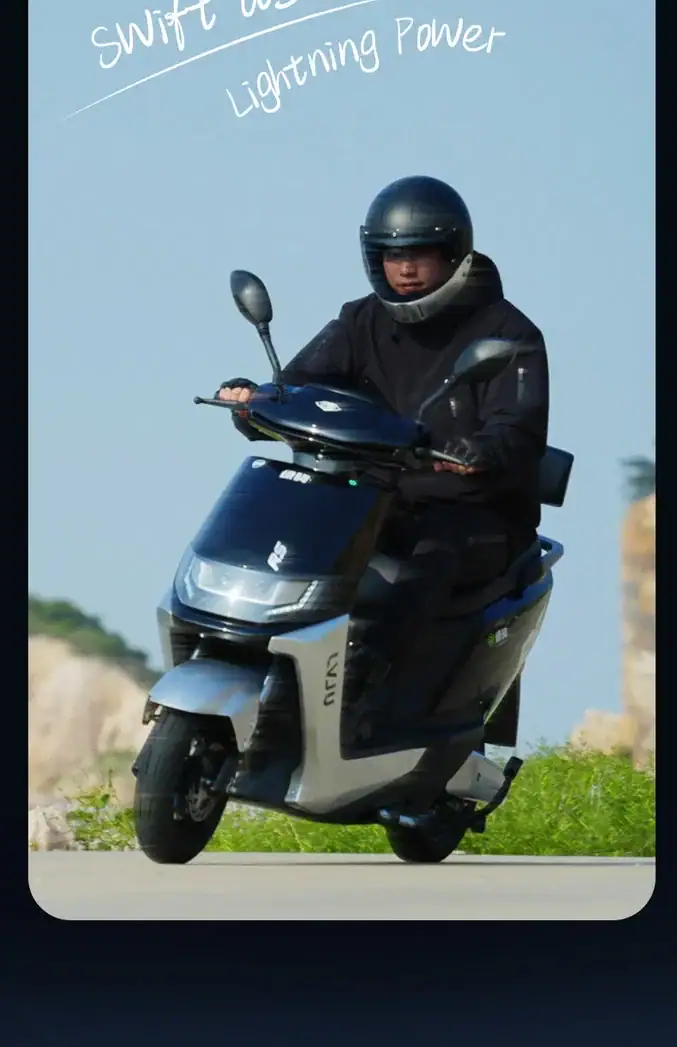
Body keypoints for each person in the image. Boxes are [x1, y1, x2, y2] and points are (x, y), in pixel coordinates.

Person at [216, 175, 549, 733]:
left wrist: (474, 451)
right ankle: (263, 682)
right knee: (281, 537)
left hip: (472, 513)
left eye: (420, 254)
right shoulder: (362, 319)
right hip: (372, 498)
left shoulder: (508, 332)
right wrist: (256, 400)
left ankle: (367, 714)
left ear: (454, 253)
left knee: (416, 570)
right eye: (393, 255)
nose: (406, 269)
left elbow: (517, 430)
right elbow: (299, 386)